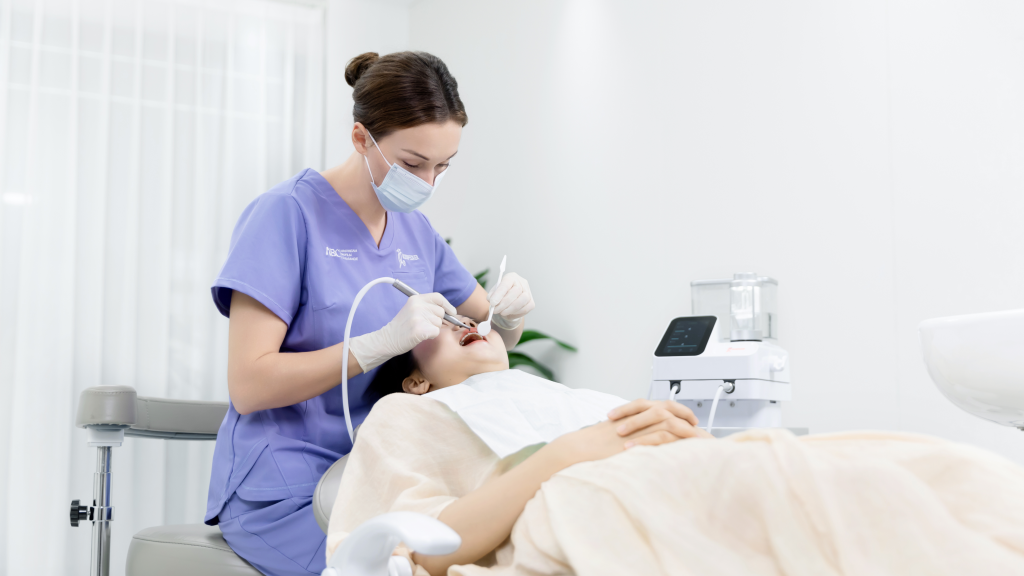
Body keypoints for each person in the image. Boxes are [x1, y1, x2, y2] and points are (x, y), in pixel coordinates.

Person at [330, 318, 1024, 576]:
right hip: (573, 504)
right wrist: (568, 454)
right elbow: (421, 544)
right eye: (442, 322)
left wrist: (675, 430)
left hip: (688, 472)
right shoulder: (403, 413)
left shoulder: (559, 395)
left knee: (927, 466)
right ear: (415, 376)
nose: (464, 318)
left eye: (469, 313)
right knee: (847, 496)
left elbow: (657, 449)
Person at [204, 51, 536, 576]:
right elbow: (249, 384)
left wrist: (509, 316)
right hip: (290, 491)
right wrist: (373, 346)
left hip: (382, 478)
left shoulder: (417, 235)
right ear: (362, 138)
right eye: (412, 164)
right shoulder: (286, 215)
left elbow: (486, 334)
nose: (427, 182)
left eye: (442, 166)